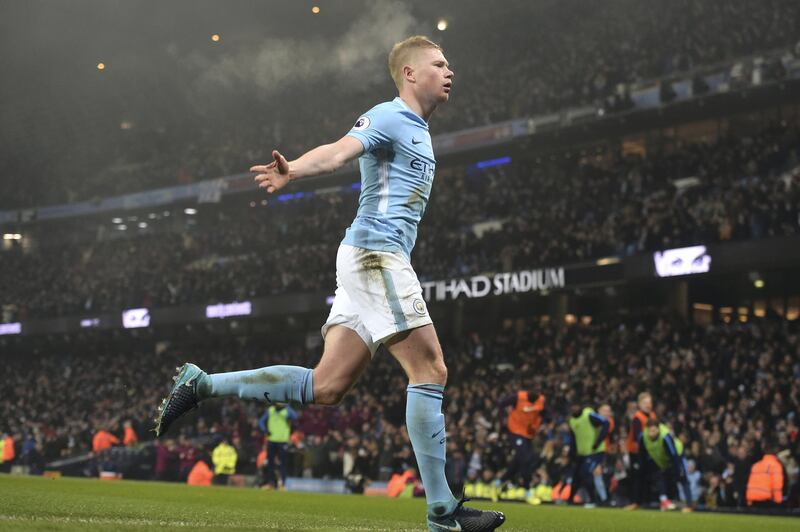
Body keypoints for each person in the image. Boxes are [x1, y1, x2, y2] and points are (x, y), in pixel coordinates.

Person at [154, 35, 504, 531]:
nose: (450, 71)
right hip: (375, 257)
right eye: (439, 63)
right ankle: (444, 513)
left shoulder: (421, 131)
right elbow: (339, 151)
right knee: (431, 369)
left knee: (327, 386)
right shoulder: (387, 116)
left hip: (372, 261)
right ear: (409, 73)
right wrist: (293, 169)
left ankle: (202, 383)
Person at [497, 388, 546, 498]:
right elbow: (501, 404)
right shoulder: (517, 397)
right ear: (528, 393)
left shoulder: (541, 400)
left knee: (519, 459)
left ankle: (501, 480)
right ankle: (527, 488)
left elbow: (546, 414)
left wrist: (544, 425)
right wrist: (502, 422)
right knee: (525, 458)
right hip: (515, 431)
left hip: (528, 434)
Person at [638, 419, 691, 511]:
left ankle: (689, 505)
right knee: (660, 478)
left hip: (677, 456)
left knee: (682, 478)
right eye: (650, 431)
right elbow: (642, 454)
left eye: (654, 430)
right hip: (661, 459)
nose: (652, 433)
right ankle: (666, 502)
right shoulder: (643, 436)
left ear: (658, 429)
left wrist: (676, 470)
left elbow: (673, 454)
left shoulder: (666, 436)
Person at [567, 404, 610, 507]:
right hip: (582, 453)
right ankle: (570, 499)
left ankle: (594, 500)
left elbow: (606, 423)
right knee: (576, 476)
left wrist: (597, 442)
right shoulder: (572, 421)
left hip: (595, 452)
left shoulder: (589, 415)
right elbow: (574, 439)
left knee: (586, 474)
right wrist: (572, 454)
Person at [624, 392, 656, 510]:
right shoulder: (637, 418)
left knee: (646, 477)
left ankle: (644, 502)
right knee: (636, 477)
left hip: (648, 451)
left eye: (650, 403)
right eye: (645, 403)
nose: (648, 405)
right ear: (640, 404)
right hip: (636, 451)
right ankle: (634, 501)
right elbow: (638, 437)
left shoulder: (652, 415)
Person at [258, 404, 298, 489]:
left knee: (283, 464)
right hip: (271, 440)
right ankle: (271, 483)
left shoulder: (287, 411)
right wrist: (265, 430)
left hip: (283, 441)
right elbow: (261, 421)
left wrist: (287, 406)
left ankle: (283, 484)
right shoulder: (271, 410)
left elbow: (295, 417)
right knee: (270, 463)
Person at [746, 440, 786, 508]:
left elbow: (751, 485)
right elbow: (777, 485)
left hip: (753, 500)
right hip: (766, 501)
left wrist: (749, 501)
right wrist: (778, 502)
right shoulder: (776, 465)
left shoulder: (756, 465)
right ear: (776, 450)